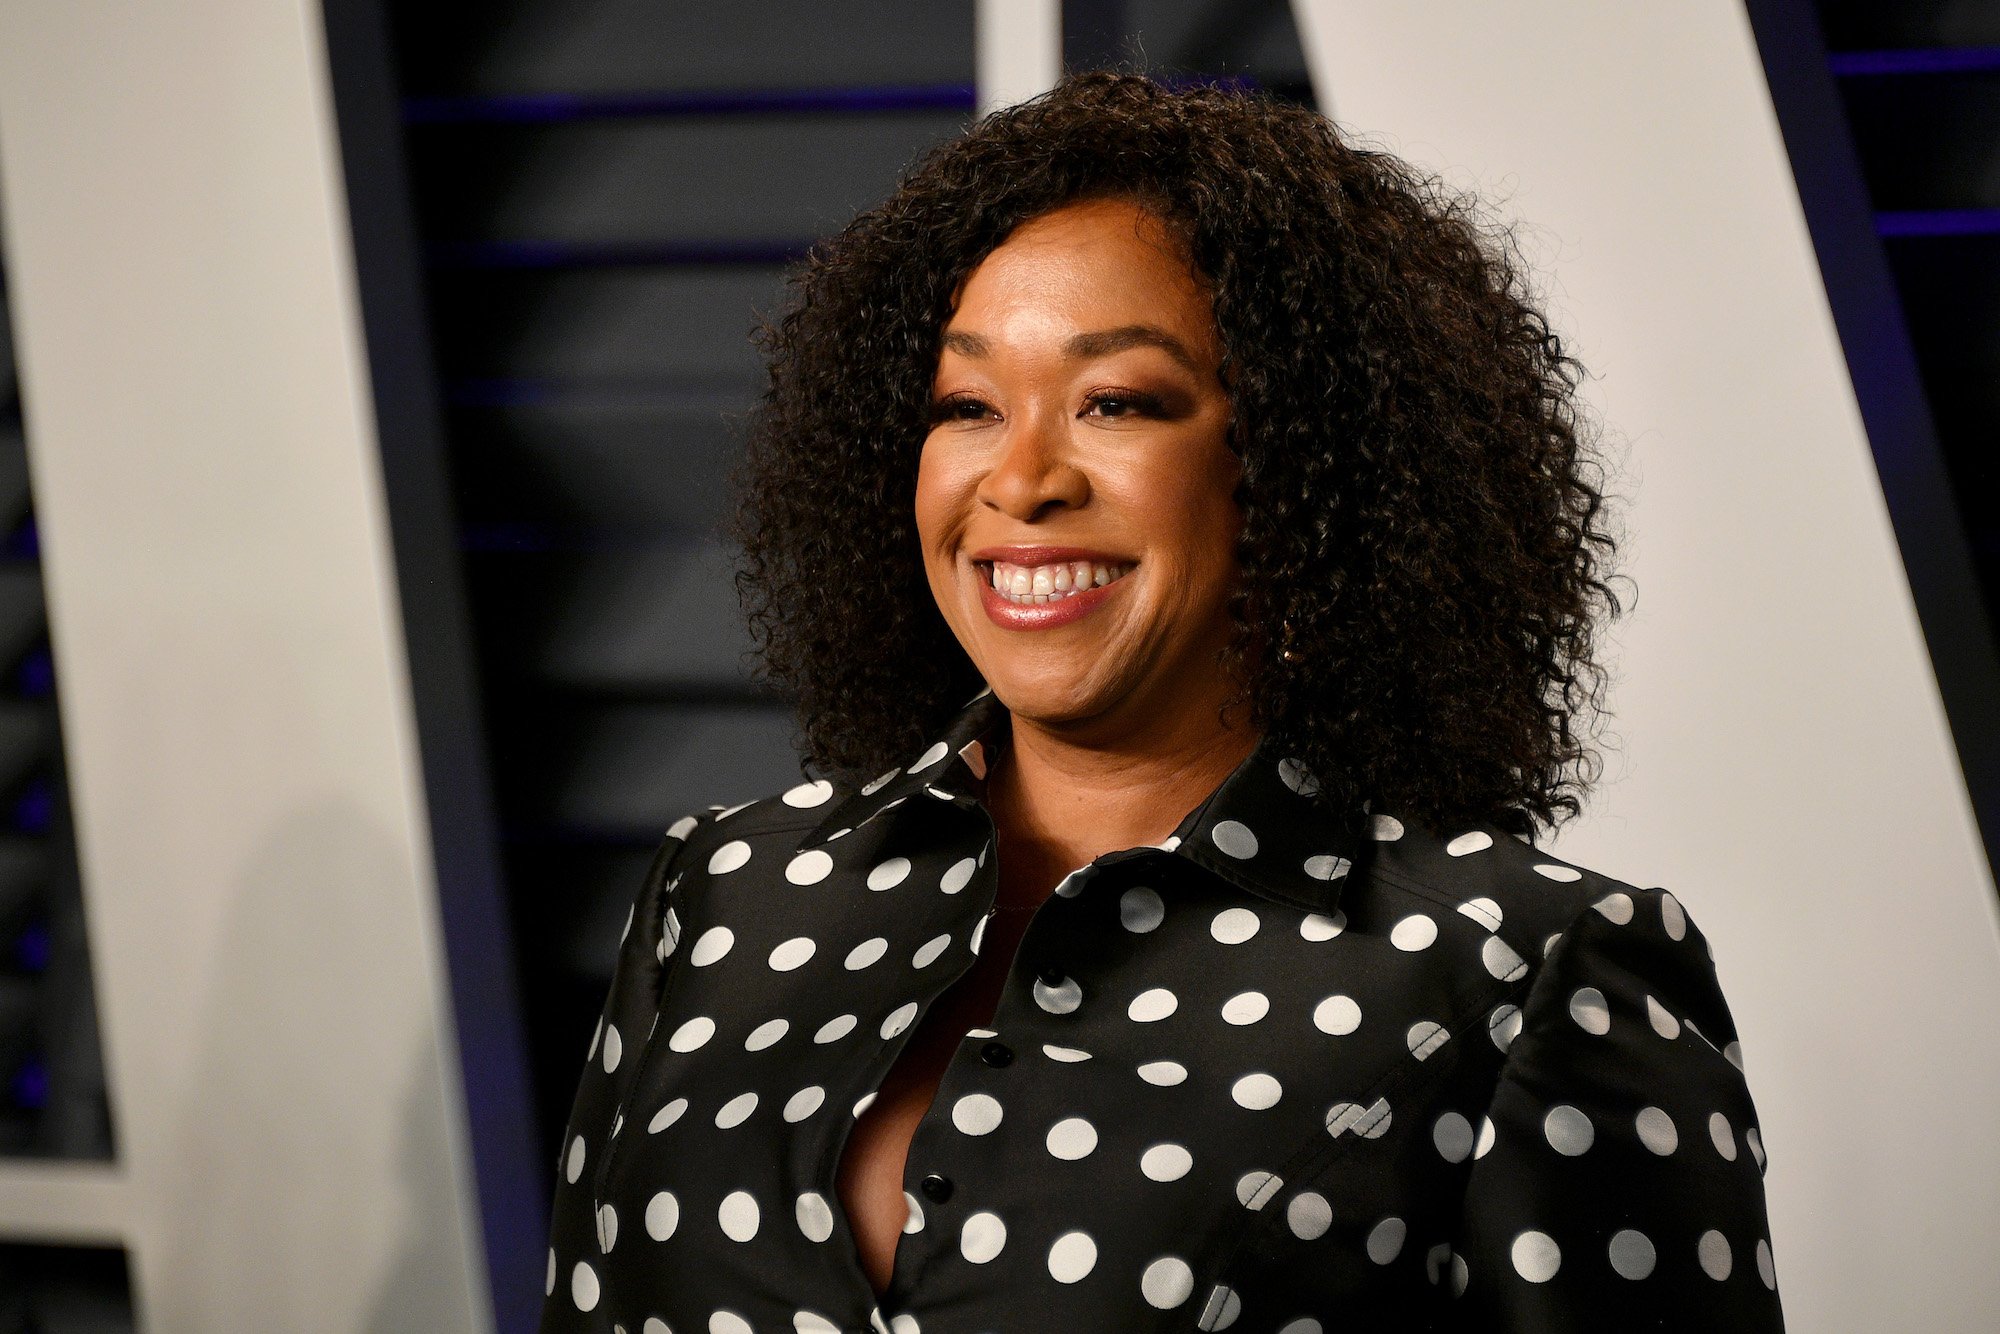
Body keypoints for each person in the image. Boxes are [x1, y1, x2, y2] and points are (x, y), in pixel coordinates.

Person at [537, 72, 1784, 1333]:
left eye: (1115, 402)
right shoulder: (728, 890)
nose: (1019, 479)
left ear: (1296, 461)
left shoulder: (1521, 973)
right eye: (965, 406)